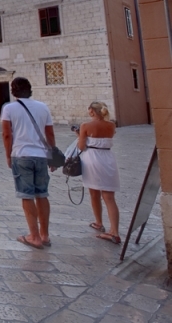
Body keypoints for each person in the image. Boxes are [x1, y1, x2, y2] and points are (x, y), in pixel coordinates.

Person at [1, 77, 55, 250]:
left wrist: (8, 155)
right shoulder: (43, 107)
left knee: (26, 195)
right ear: (30, 89)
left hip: (21, 154)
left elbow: (7, 135)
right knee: (42, 194)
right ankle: (45, 235)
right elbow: (50, 134)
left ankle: (34, 236)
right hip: (40, 155)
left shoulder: (9, 108)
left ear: (13, 91)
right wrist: (52, 156)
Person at [76, 101, 121, 244]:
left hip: (92, 159)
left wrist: (79, 135)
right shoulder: (111, 125)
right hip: (108, 158)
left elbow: (81, 146)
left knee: (94, 193)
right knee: (109, 197)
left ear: (91, 111)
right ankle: (114, 231)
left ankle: (99, 222)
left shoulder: (85, 126)